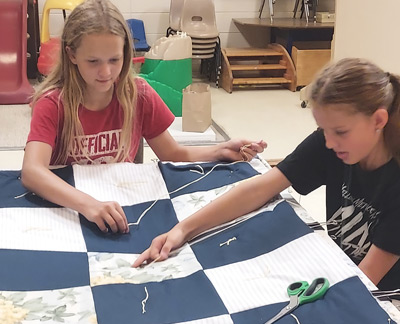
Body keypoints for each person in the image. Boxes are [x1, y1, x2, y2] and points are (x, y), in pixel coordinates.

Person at [133, 58, 400, 291]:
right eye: (323, 130)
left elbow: (366, 282)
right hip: (347, 268)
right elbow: (259, 188)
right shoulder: (332, 142)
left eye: (339, 132)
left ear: (378, 121)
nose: (329, 143)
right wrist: (183, 229)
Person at [21, 0, 266, 235]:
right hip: (69, 209)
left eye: (114, 60)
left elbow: (173, 154)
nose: (106, 72)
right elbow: (32, 172)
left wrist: (221, 150)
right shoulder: (52, 103)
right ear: (72, 55)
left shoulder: (138, 95)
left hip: (123, 206)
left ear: (125, 53)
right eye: (93, 61)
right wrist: (89, 205)